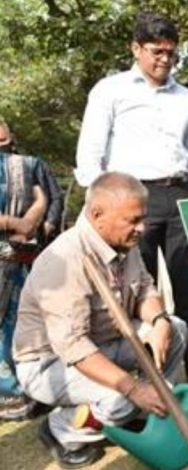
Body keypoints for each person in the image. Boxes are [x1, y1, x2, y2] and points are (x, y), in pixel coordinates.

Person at [73, 12, 188, 393]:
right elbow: (89, 153)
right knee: (132, 291)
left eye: (171, 53)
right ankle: (144, 375)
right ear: (136, 48)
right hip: (128, 199)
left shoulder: (186, 98)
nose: (164, 59)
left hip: (179, 195)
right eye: (156, 51)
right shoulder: (110, 91)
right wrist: (103, 205)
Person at [13, 173, 188, 468]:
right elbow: (75, 347)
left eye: (142, 219)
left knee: (177, 328)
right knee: (121, 399)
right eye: (133, 221)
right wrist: (132, 388)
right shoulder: (64, 260)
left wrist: (158, 320)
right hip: (50, 363)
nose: (142, 229)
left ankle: (146, 409)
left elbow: (145, 288)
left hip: (106, 343)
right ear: (97, 215)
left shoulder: (122, 241)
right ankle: (63, 429)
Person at [0, 121, 49, 420]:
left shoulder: (26, 165)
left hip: (18, 259)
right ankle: (8, 396)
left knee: (20, 323)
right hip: (12, 250)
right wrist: (14, 224)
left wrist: (27, 223)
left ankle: (29, 391)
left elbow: (41, 198)